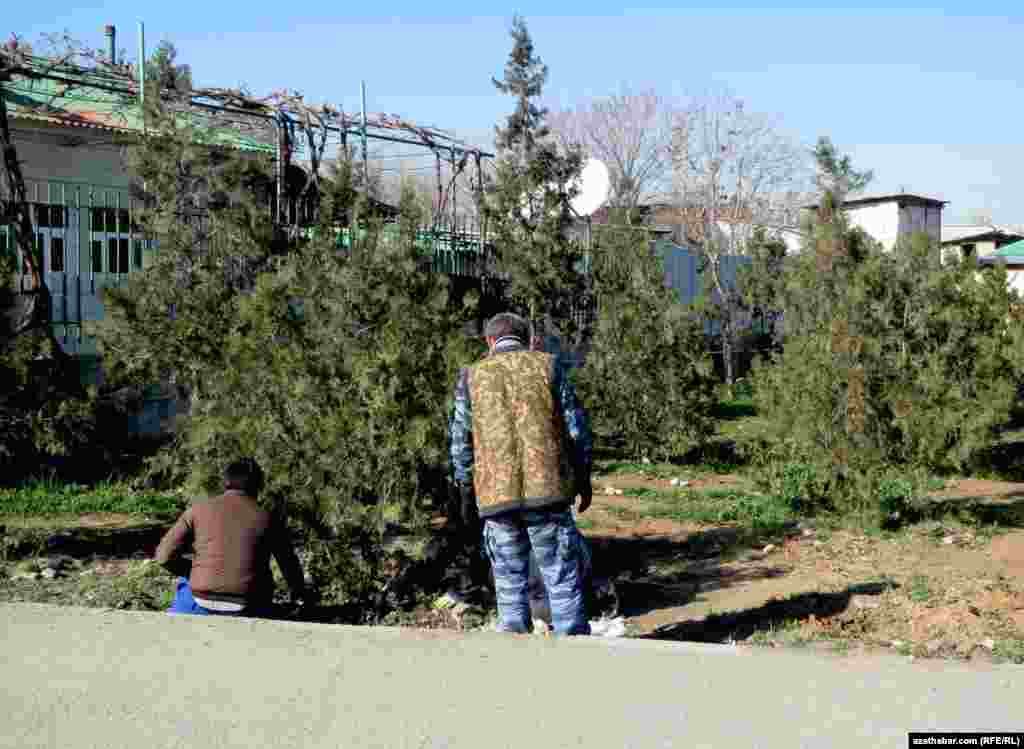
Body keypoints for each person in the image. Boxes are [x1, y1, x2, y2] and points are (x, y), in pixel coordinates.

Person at [449, 312, 594, 636]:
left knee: (509, 590)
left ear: (489, 342)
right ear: (528, 338)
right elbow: (576, 429)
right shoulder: (549, 366)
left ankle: (515, 660)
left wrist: (463, 489)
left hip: (496, 499)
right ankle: (576, 658)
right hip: (549, 494)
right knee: (561, 582)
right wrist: (583, 477)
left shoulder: (471, 376)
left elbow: (460, 440)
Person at [154, 458, 311, 617]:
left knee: (186, 581)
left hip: (200, 598)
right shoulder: (269, 519)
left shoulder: (197, 511)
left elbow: (163, 556)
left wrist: (193, 570)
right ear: (258, 485)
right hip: (250, 604)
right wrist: (299, 596)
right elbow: (289, 565)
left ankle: (180, 620)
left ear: (226, 482)